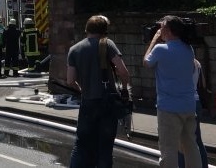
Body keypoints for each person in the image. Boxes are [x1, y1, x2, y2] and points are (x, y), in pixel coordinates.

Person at [67, 15, 131, 168]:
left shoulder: (74, 49)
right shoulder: (107, 44)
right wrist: (123, 89)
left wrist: (82, 89)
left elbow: (70, 80)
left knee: (81, 145)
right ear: (105, 31)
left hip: (87, 103)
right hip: (107, 103)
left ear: (86, 29)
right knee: (105, 147)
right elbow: (123, 71)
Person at [144, 15, 201, 168]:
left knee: (168, 148)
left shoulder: (160, 49)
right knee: (190, 146)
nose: (159, 30)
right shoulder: (188, 49)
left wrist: (154, 40)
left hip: (169, 107)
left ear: (168, 30)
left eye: (161, 27)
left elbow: (146, 63)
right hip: (188, 105)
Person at [178, 57, 209, 168]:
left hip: (185, 103)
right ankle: (204, 165)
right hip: (197, 102)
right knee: (198, 140)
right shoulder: (197, 63)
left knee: (181, 142)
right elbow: (203, 85)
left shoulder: (181, 61)